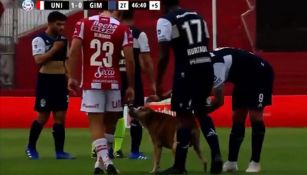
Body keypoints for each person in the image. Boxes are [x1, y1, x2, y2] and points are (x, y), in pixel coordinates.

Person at [156, 0, 223, 174]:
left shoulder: (166, 20)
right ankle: (216, 155)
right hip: (205, 66)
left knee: (183, 117)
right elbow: (205, 43)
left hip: (187, 69)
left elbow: (163, 55)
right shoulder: (198, 16)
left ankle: (180, 166)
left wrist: (157, 82)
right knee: (201, 111)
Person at [67, 10, 135, 175]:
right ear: (116, 13)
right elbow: (129, 59)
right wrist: (131, 85)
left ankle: (104, 160)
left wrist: (71, 76)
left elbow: (74, 50)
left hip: (92, 81)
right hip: (113, 82)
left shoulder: (84, 23)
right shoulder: (122, 28)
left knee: (96, 122)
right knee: (111, 122)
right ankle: (101, 163)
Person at [207, 47, 274, 173]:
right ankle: (232, 162)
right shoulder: (204, 63)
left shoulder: (216, 64)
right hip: (242, 78)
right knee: (237, 117)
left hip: (260, 73)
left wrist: (202, 112)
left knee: (255, 116)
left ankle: (255, 162)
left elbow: (219, 101)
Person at [25, 11, 74, 160]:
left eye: (63, 24)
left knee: (60, 116)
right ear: (50, 23)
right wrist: (54, 49)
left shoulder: (64, 40)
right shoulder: (39, 39)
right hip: (46, 80)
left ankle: (60, 152)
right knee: (43, 116)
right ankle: (31, 147)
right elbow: (38, 60)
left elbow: (67, 61)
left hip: (60, 81)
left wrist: (70, 78)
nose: (61, 27)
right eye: (58, 24)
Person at [113, 10, 157, 160]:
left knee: (113, 114)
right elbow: (146, 60)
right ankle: (134, 152)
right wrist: (153, 83)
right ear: (133, 17)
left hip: (115, 77)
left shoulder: (112, 32)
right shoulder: (139, 34)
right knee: (137, 113)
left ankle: (110, 149)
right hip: (133, 78)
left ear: (119, 16)